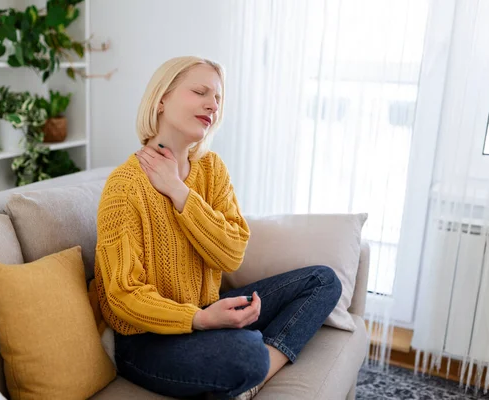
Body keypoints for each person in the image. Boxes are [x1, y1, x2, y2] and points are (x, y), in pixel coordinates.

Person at [94, 56, 342, 400]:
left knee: (323, 281)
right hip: (147, 340)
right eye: (200, 92)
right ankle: (245, 368)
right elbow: (123, 293)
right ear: (161, 99)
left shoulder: (211, 169)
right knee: (246, 354)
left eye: (218, 99)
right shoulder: (125, 186)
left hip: (207, 312)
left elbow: (232, 252)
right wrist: (201, 320)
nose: (212, 104)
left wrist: (180, 193)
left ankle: (250, 377)